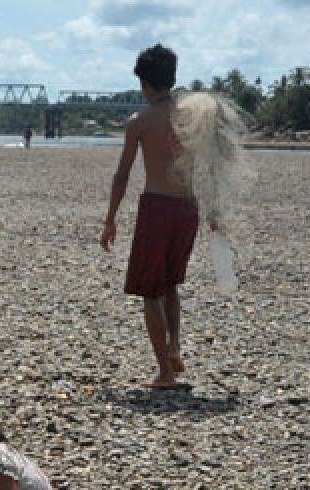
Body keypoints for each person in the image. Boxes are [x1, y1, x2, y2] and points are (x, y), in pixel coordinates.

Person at [99, 43, 249, 388]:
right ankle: (175, 347)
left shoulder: (139, 122)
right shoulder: (192, 118)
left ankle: (165, 372)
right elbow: (210, 167)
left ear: (144, 83)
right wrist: (213, 212)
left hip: (157, 208)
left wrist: (110, 219)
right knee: (169, 285)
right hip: (187, 209)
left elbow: (122, 175)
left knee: (149, 292)